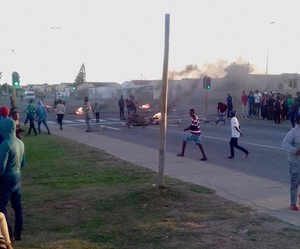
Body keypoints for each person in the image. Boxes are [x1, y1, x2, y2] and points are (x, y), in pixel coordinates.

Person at [0, 118, 26, 241]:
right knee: (17, 206)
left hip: (6, 180)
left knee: (1, 206)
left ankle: (9, 233)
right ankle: (18, 231)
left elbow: (1, 166)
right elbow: (23, 162)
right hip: (17, 177)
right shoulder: (20, 142)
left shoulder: (5, 144)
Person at [282, 116, 300, 211]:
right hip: (295, 162)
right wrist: (295, 150)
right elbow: (284, 144)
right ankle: (293, 204)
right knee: (295, 183)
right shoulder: (293, 132)